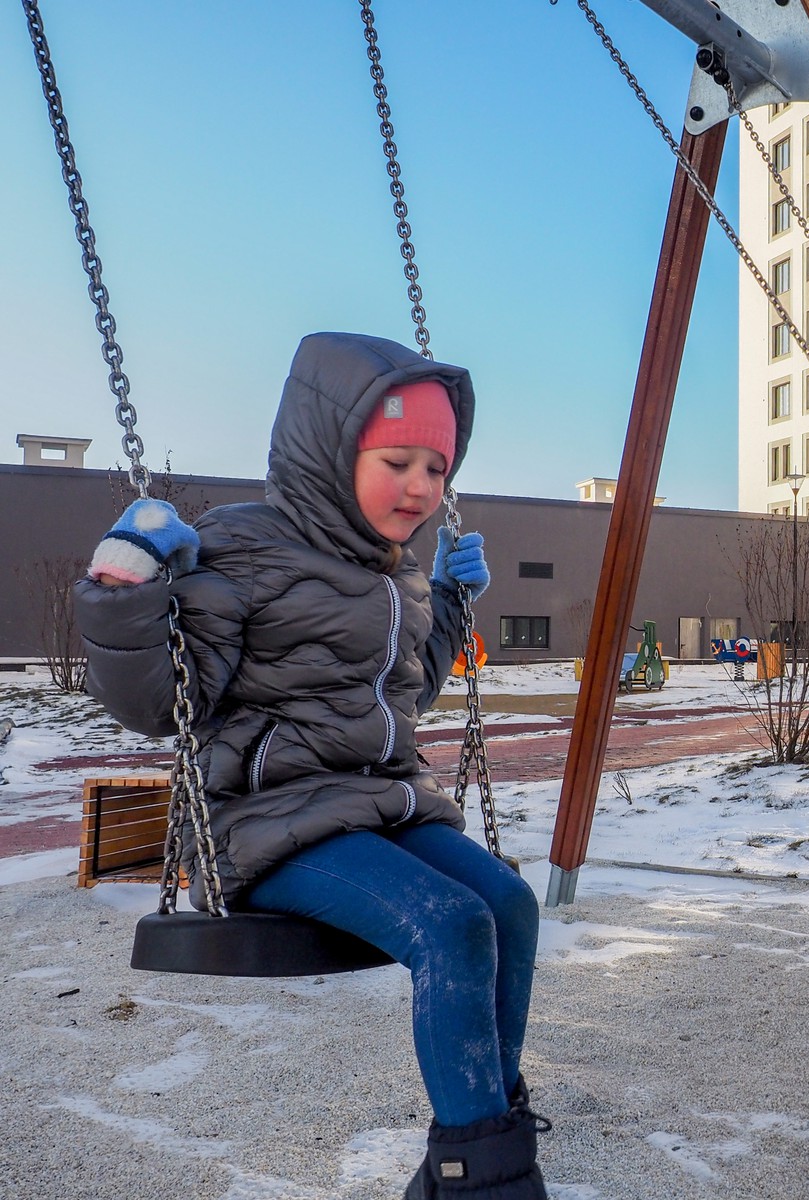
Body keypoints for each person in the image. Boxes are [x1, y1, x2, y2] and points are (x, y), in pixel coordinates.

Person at [74, 332, 550, 1199]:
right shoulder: (242, 545)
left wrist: (445, 601)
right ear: (332, 451)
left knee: (510, 907)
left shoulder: (394, 571)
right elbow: (160, 704)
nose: (420, 487)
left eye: (437, 469)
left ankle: (480, 1147)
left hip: (380, 803)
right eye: (397, 460)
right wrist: (125, 590)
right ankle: (485, 1180)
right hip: (269, 822)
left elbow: (403, 692)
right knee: (452, 925)